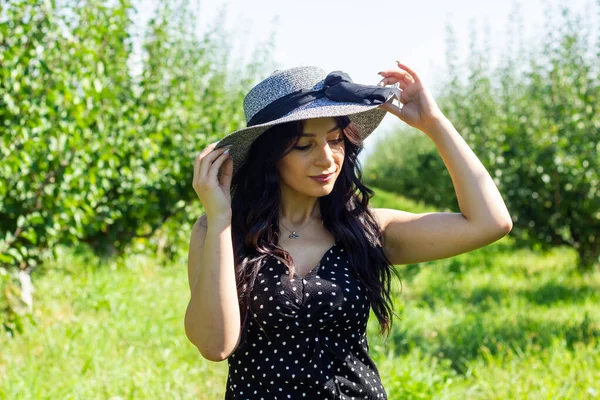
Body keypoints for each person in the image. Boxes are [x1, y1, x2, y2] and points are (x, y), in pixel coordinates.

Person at [185, 63, 513, 399]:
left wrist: (435, 124)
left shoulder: (365, 229)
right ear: (269, 156)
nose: (326, 159)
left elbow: (490, 223)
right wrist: (222, 220)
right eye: (303, 145)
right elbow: (215, 345)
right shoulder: (220, 231)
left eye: (335, 139)